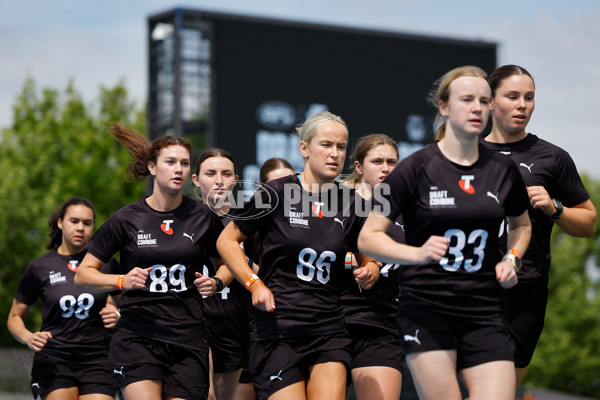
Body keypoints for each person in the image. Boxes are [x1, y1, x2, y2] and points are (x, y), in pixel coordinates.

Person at [357, 66, 532, 400]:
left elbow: (522, 225)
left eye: (484, 100)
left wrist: (513, 258)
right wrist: (417, 254)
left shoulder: (502, 169)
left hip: (485, 309)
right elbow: (369, 238)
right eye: (467, 99)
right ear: (444, 107)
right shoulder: (415, 168)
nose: (477, 108)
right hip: (427, 307)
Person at [216, 111, 379, 400]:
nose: (334, 154)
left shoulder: (352, 202)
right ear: (304, 148)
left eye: (341, 147)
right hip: (277, 329)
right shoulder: (276, 193)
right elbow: (227, 241)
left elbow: (368, 253)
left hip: (328, 328)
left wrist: (370, 269)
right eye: (326, 145)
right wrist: (254, 283)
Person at [74, 124, 228, 400]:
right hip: (138, 337)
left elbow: (228, 263)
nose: (178, 169)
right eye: (170, 162)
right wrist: (122, 280)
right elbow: (83, 275)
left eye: (184, 163)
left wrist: (217, 281)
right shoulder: (125, 219)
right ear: (153, 168)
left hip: (188, 339)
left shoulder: (203, 217)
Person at [481, 64, 597, 389]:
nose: (522, 105)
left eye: (529, 98)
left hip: (525, 291)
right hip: (469, 288)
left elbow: (588, 222)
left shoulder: (552, 157)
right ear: (489, 101)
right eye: (513, 96)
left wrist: (555, 207)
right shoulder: (462, 155)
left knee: (500, 393)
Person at [7, 197, 120, 400]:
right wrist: (28, 337)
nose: (80, 228)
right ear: (60, 222)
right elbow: (14, 316)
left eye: (87, 223)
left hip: (98, 360)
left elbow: (129, 304)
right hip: (55, 359)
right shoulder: (39, 267)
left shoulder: (107, 263)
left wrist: (118, 313)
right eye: (74, 221)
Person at [340, 134, 404, 400]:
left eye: (392, 162)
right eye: (377, 161)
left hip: (382, 323)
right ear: (358, 167)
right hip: (334, 322)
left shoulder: (408, 211)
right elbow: (316, 248)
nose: (386, 168)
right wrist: (355, 260)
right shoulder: (338, 203)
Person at [191, 148, 254, 400]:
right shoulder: (183, 220)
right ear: (195, 179)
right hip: (192, 326)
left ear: (236, 179)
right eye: (210, 173)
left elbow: (269, 273)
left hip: (236, 327)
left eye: (226, 173)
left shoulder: (250, 222)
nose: (219, 179)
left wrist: (244, 260)